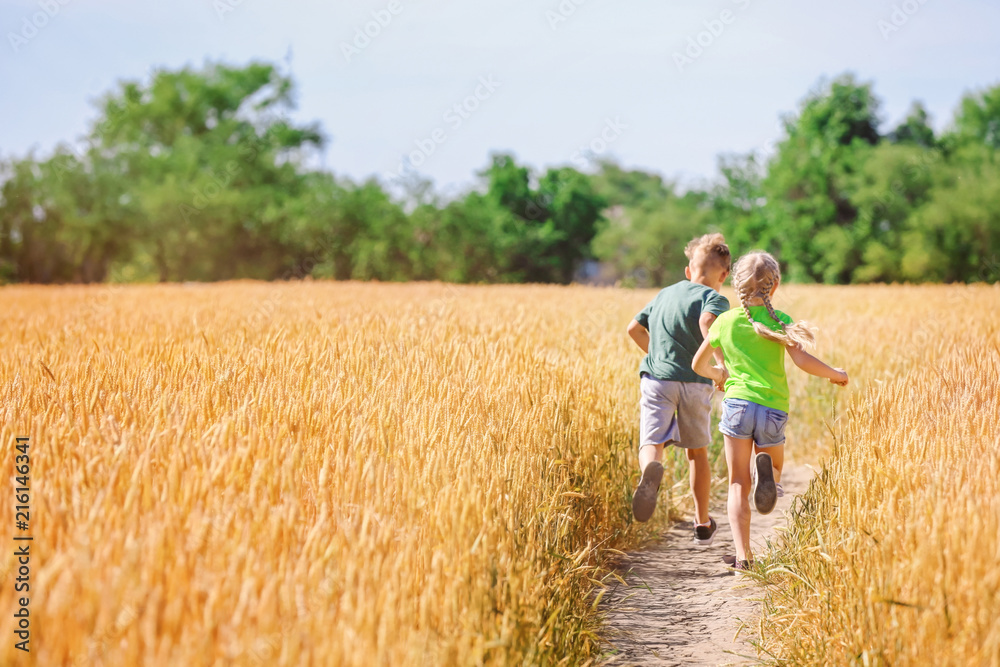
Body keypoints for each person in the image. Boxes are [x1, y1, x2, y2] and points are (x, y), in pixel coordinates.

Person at [691, 250, 848, 571]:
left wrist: (721, 375)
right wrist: (835, 373)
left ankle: (744, 557)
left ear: (735, 286)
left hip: (736, 406)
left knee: (736, 483)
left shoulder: (725, 321)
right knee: (774, 467)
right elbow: (803, 361)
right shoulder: (781, 321)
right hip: (772, 407)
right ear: (774, 286)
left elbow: (698, 364)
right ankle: (770, 477)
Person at [626, 233, 731, 546]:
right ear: (723, 275)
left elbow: (633, 328)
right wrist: (720, 370)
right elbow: (709, 323)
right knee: (697, 453)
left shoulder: (664, 293)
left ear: (689, 270)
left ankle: (650, 470)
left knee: (652, 440)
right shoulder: (715, 298)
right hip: (696, 383)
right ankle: (701, 521)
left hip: (657, 379)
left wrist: (655, 355)